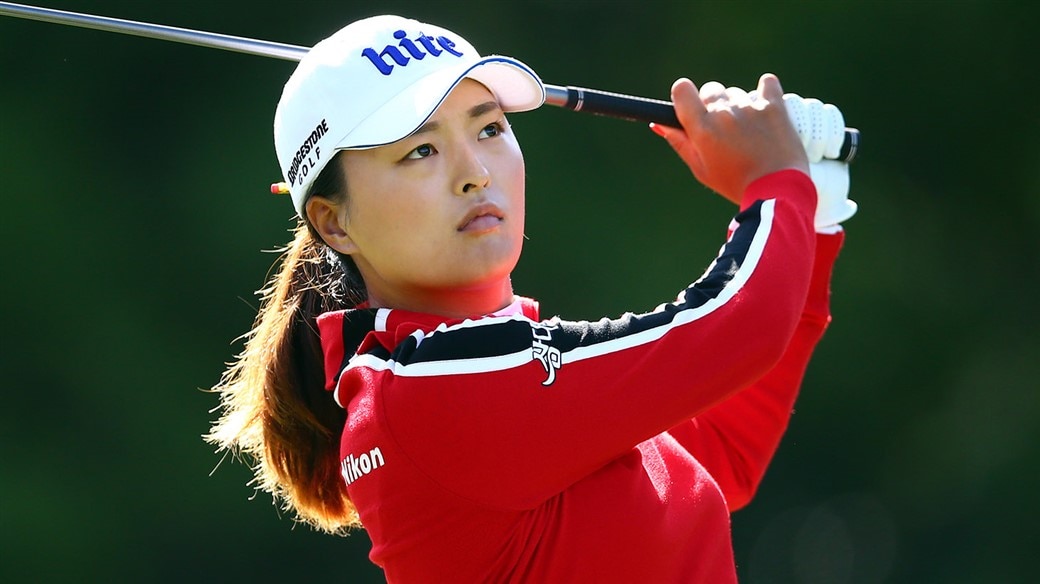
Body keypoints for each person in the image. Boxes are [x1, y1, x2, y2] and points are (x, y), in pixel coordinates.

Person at [207, 14, 856, 583]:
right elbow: (734, 330)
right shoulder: (430, 388)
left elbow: (720, 447)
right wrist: (775, 182)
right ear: (333, 222)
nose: (475, 172)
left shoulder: (500, 374)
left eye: (488, 128)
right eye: (422, 150)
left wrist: (812, 213)